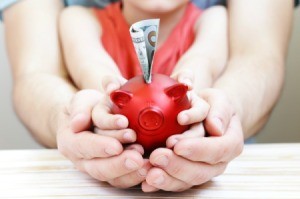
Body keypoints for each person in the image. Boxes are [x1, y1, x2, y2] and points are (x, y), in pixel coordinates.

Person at [1, 0, 295, 193]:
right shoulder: (79, 19)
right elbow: (89, 64)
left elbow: (202, 63)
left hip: (214, 183)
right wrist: (103, 105)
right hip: (89, 186)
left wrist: (197, 103)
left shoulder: (212, 19)